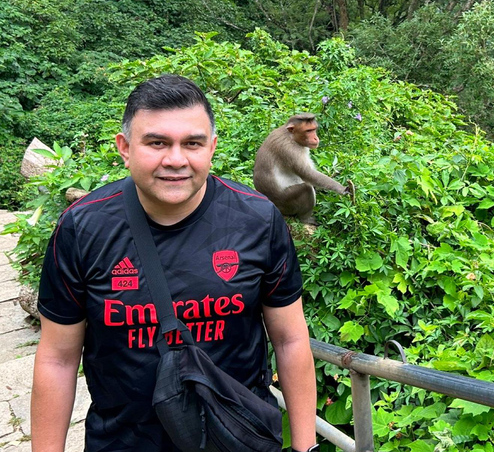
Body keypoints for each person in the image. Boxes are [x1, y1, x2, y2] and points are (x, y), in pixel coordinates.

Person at [31, 74, 318, 452]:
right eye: (157, 143)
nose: (176, 160)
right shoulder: (83, 228)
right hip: (125, 441)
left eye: (192, 143)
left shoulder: (257, 219)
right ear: (125, 147)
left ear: (211, 148)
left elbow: (291, 338)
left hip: (239, 437)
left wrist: (306, 447)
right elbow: (57, 359)